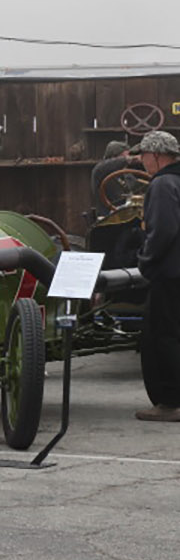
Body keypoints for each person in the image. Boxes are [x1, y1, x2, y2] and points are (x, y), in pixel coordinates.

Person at [132, 130, 180, 421]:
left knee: (163, 337)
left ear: (158, 156)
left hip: (170, 273)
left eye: (144, 156)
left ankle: (169, 402)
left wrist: (145, 262)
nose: (141, 161)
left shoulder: (162, 185)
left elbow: (162, 230)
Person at [91, 140, 140, 209]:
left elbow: (138, 187)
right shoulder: (100, 171)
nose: (127, 158)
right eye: (124, 156)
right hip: (108, 215)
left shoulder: (126, 175)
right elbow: (102, 167)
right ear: (113, 157)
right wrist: (132, 159)